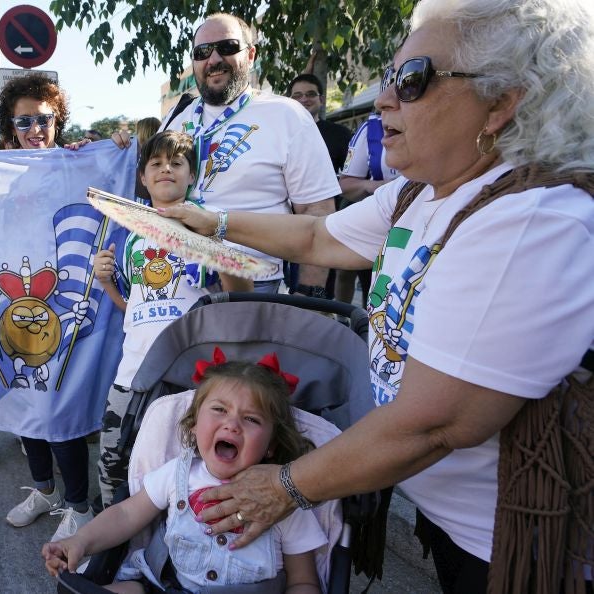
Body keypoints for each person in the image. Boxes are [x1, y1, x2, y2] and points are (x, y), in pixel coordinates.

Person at [158, 0, 594, 591]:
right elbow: (316, 234)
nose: (385, 99)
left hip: (517, 541)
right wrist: (211, 221)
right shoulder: (422, 192)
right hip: (452, 519)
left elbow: (430, 425)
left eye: (412, 81)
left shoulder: (527, 219)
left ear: (501, 102)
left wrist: (284, 486)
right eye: (389, 79)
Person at [43, 352, 326, 593]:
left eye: (251, 419)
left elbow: (303, 580)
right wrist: (80, 541)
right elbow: (126, 514)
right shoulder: (178, 474)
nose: (232, 425)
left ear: (270, 446)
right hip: (165, 585)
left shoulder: (282, 498)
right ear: (193, 426)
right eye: (219, 410)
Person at [117, 13, 340, 296]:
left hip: (250, 286)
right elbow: (148, 186)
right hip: (173, 282)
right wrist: (113, 148)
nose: (213, 60)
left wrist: (311, 294)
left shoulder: (287, 115)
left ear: (250, 54)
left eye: (227, 47)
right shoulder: (177, 118)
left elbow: (317, 213)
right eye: (202, 52)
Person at [95, 130, 251, 507]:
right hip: (133, 372)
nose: (166, 169)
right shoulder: (133, 235)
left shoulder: (208, 226)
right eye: (156, 164)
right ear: (143, 178)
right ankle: (118, 549)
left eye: (177, 163)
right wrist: (106, 282)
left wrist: (214, 246)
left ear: (192, 176)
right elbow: (134, 306)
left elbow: (242, 295)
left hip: (192, 377)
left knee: (183, 469)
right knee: (113, 462)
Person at [0, 72, 94, 541]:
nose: (35, 129)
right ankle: (45, 489)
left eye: (44, 119)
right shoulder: (6, 179)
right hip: (19, 305)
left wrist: (118, 145)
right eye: (24, 121)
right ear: (11, 127)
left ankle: (79, 505)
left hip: (65, 303)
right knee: (25, 400)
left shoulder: (80, 163)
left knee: (59, 407)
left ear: (58, 122)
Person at [287, 73, 354, 298]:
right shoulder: (282, 134)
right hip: (286, 228)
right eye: (297, 95)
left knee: (321, 292)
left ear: (321, 99)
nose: (304, 99)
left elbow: (353, 176)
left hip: (326, 222)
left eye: (310, 94)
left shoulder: (340, 134)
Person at [335, 113, 400, 306]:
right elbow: (346, 186)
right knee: (357, 274)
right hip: (380, 217)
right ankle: (348, 322)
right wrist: (373, 186)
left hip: (424, 217)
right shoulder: (371, 129)